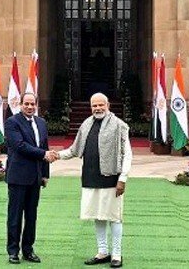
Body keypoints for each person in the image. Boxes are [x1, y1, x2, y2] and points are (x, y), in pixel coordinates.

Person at [48, 92, 132, 268]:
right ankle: (102, 251)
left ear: (108, 105)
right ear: (91, 107)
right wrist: (57, 155)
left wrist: (123, 178)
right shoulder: (86, 124)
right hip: (90, 177)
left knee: (114, 217)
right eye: (94, 105)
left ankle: (116, 254)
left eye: (101, 105)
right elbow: (74, 150)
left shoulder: (119, 125)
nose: (98, 108)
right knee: (98, 215)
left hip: (111, 179)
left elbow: (127, 154)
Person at [4, 92, 52, 264]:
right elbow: (19, 146)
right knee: (15, 216)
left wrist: (45, 173)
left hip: (35, 178)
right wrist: (44, 154)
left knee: (31, 216)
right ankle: (13, 251)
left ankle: (28, 250)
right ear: (20, 104)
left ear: (36, 105)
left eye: (33, 104)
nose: (30, 107)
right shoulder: (12, 122)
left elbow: (45, 146)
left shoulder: (41, 123)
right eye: (27, 104)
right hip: (18, 177)